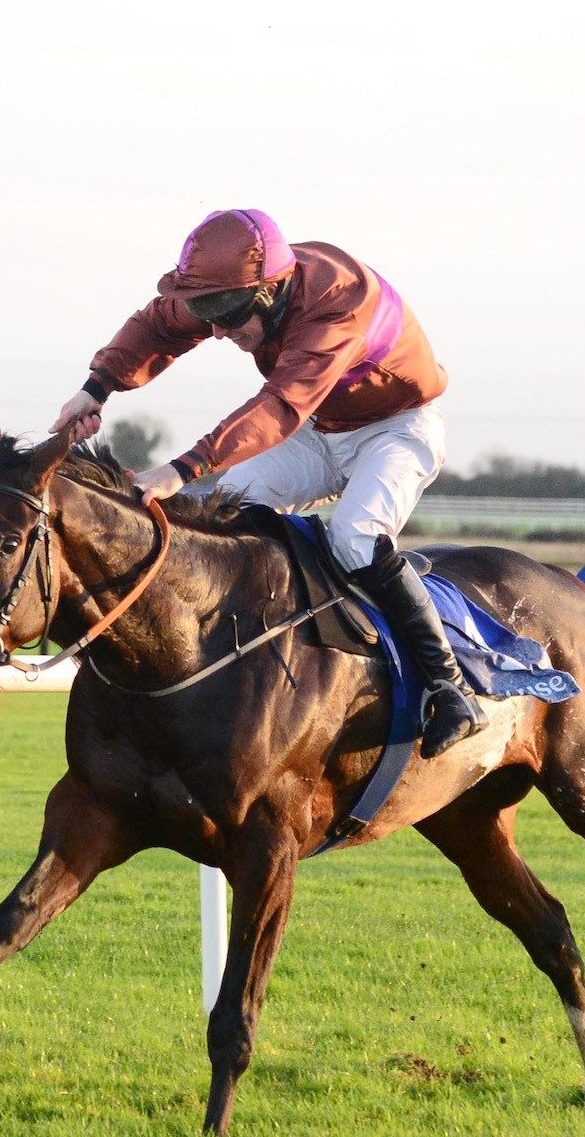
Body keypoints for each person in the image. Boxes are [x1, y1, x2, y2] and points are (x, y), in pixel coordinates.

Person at [53, 208, 484, 756]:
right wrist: (97, 387)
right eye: (207, 312)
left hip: (396, 428)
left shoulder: (337, 301)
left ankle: (450, 686)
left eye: (226, 315)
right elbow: (161, 324)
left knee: (354, 537)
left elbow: (280, 407)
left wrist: (183, 467)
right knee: (225, 513)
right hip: (318, 424)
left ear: (270, 291)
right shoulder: (235, 282)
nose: (215, 329)